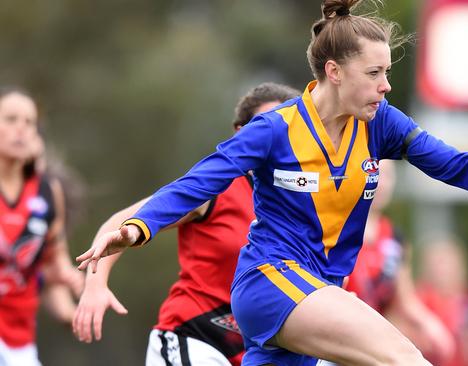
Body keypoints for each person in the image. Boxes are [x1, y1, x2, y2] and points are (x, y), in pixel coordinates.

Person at [76, 0, 468, 364]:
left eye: (387, 72)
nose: (386, 85)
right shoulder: (276, 128)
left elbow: (444, 160)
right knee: (405, 360)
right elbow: (198, 182)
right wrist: (138, 228)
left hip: (317, 292)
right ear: (334, 72)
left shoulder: (380, 122)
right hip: (270, 283)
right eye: (375, 73)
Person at [73, 82, 301, 366]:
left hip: (256, 353)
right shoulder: (216, 189)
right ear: (241, 134)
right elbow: (120, 223)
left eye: (289, 129)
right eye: (266, 125)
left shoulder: (307, 205)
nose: (277, 138)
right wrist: (95, 285)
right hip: (194, 337)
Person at [0, 87, 82, 366]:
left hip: (20, 338)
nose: (21, 129)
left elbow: (52, 261)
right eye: (10, 119)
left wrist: (69, 278)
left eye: (29, 122)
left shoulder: (48, 192)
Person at [345, 159, 455, 364]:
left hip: (373, 337)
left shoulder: (395, 239)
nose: (381, 183)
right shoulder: (337, 229)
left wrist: (432, 326)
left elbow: (405, 301)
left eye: (388, 176)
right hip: (338, 332)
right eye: (375, 174)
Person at [416, 237, 468, 366]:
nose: (442, 270)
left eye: (446, 262)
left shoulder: (465, 301)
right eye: (438, 263)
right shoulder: (418, 300)